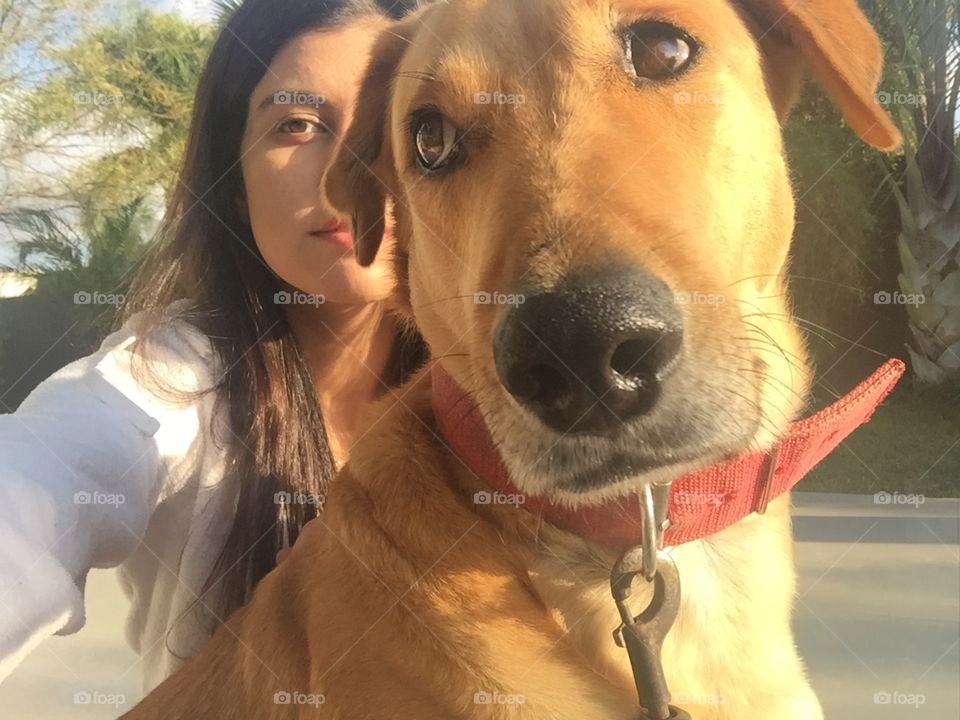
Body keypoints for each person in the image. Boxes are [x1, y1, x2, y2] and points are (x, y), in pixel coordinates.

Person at [0, 0, 426, 694]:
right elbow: (37, 483)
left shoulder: (503, 381)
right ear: (232, 185)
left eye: (400, 123)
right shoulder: (169, 381)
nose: (354, 167)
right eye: (298, 125)